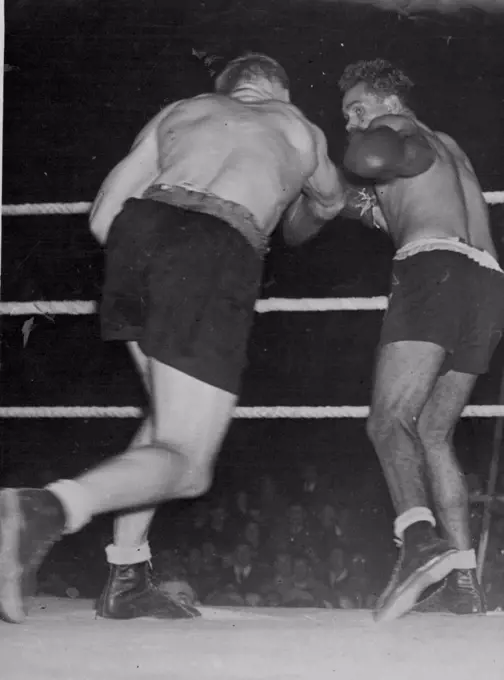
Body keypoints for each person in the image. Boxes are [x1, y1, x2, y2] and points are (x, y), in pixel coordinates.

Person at [0, 53, 346, 624]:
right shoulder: (299, 127)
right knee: (189, 463)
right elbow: (330, 202)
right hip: (214, 245)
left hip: (137, 236)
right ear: (278, 90)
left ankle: (127, 573)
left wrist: (158, 259)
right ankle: (44, 509)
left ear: (228, 89)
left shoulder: (181, 112)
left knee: (167, 421)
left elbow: (102, 215)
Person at [338, 58, 504, 622]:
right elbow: (399, 196)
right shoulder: (444, 144)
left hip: (434, 271)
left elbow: (373, 156)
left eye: (356, 109)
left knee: (388, 422)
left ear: (386, 102)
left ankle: (418, 543)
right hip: (486, 283)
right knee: (434, 433)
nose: (350, 123)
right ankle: (464, 583)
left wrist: (362, 156)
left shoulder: (399, 131)